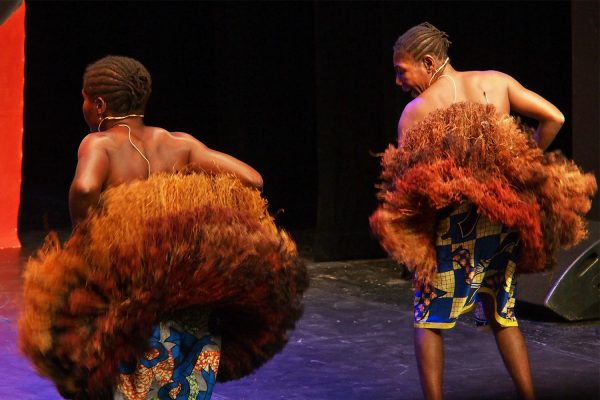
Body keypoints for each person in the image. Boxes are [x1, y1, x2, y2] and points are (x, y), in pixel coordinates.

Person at [19, 55, 308, 400]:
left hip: (134, 303)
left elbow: (83, 188)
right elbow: (252, 179)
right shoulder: (180, 144)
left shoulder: (99, 144)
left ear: (98, 104)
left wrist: (87, 233)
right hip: (187, 301)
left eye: (84, 99)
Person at [370, 23, 596, 400]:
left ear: (427, 62)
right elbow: (554, 117)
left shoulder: (418, 111)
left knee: (429, 320)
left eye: (401, 70)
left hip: (455, 227)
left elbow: (407, 186)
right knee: (501, 314)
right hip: (502, 223)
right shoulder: (496, 81)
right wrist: (526, 160)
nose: (398, 81)